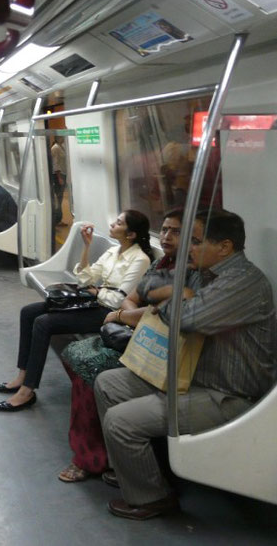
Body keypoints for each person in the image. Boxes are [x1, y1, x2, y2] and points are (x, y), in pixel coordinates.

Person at [95, 209, 277, 520]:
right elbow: (149, 285)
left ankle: (152, 498)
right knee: (107, 384)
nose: (185, 248)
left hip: (227, 395)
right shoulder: (200, 271)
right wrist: (177, 294)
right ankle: (139, 470)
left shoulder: (244, 282)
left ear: (225, 247)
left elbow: (188, 319)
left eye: (194, 241)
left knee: (120, 421)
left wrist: (171, 298)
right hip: (190, 376)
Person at [58, 210, 182, 483]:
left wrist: (127, 314)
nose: (166, 236)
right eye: (164, 230)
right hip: (136, 333)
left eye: (176, 232)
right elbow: (132, 300)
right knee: (75, 356)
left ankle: (90, 459)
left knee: (91, 369)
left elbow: (160, 311)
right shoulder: (161, 265)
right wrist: (133, 313)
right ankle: (104, 452)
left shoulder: (183, 273)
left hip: (159, 346)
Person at [0, 210, 154, 411]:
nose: (113, 224)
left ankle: (27, 391)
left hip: (109, 314)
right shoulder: (113, 251)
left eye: (119, 223)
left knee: (44, 323)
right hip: (93, 303)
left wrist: (97, 292)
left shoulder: (140, 260)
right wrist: (87, 247)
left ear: (131, 234)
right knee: (28, 312)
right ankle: (22, 376)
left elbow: (119, 299)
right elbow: (85, 279)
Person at [50, 137, 68, 226]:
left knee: (59, 199)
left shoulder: (61, 147)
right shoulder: (56, 148)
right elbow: (55, 163)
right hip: (58, 176)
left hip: (63, 174)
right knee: (58, 199)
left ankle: (58, 219)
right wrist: (59, 177)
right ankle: (56, 220)